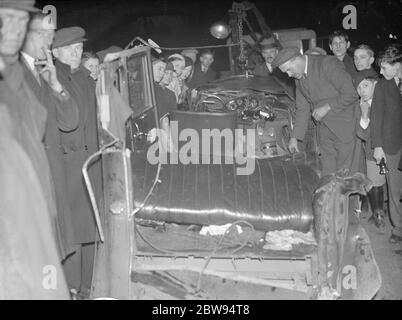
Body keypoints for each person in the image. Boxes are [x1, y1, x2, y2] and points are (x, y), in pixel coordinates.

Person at [0, 0, 69, 299]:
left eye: (20, 22)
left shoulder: (16, 74)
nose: (15, 31)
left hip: (35, 192)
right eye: (7, 21)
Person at [21, 12, 79, 261]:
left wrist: (55, 85)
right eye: (45, 36)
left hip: (50, 176)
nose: (49, 42)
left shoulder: (45, 73)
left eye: (52, 37)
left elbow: (69, 122)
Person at [52, 26, 101, 297]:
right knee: (72, 233)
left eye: (79, 47)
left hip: (92, 163)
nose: (77, 52)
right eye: (70, 48)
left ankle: (89, 285)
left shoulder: (86, 77)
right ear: (56, 51)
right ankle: (71, 288)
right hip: (69, 167)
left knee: (93, 229)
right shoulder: (52, 78)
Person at [272, 46, 359, 176]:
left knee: (346, 177)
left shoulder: (327, 64)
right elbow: (303, 109)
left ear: (296, 60)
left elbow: (351, 93)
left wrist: (327, 107)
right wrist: (295, 137)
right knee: (327, 175)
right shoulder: (299, 77)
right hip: (324, 131)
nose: (289, 75)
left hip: (345, 129)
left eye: (289, 70)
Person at [370, 45, 402, 243]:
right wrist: (378, 146)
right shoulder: (382, 86)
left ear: (397, 65)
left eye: (384, 67)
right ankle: (399, 227)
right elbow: (376, 117)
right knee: (394, 188)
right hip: (391, 145)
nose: (380, 72)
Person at [354, 72, 386, 231]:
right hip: (373, 153)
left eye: (365, 86)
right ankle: (378, 214)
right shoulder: (363, 106)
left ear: (376, 85)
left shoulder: (386, 102)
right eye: (359, 88)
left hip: (387, 151)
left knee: (382, 182)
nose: (362, 90)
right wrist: (364, 114)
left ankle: (380, 213)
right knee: (375, 182)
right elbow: (362, 134)